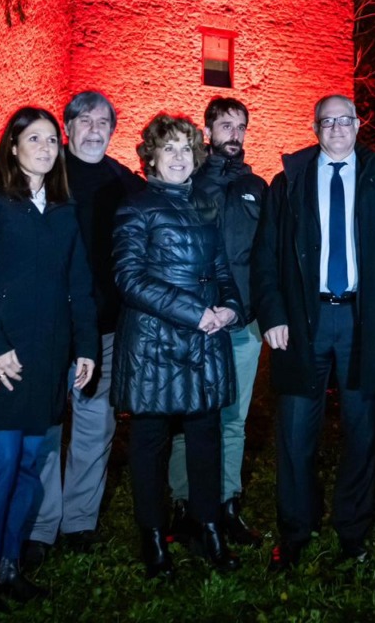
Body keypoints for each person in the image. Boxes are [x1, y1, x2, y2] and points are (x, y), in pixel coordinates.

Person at [252, 94, 375, 571]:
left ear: (357, 125)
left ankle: (353, 529)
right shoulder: (288, 184)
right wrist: (273, 315)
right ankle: (294, 531)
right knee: (294, 432)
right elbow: (265, 257)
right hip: (303, 322)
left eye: (344, 120)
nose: (336, 129)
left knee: (362, 430)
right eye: (327, 122)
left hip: (360, 320)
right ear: (315, 127)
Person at [0, 107, 98, 621]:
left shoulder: (62, 210)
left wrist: (86, 348)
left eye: (51, 140)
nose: (44, 147)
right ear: (12, 147)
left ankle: (10, 568)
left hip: (47, 360)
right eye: (32, 138)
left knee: (32, 470)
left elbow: (79, 285)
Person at [112, 112, 245, 578]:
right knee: (150, 443)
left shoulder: (207, 207)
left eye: (185, 148)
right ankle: (152, 537)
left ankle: (207, 526)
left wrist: (230, 307)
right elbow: (129, 278)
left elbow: (223, 271)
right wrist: (196, 313)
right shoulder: (136, 207)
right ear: (151, 156)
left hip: (205, 339)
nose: (177, 157)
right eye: (167, 148)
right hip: (154, 343)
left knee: (206, 436)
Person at [25, 91, 144, 565]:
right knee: (49, 426)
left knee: (95, 427)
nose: (95, 130)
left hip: (106, 330)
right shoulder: (45, 178)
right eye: (85, 121)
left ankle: (78, 522)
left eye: (104, 123)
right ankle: (40, 526)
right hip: (51, 328)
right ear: (67, 128)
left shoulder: (125, 183)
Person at [167, 97, 268, 548]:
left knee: (233, 418)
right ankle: (184, 504)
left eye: (240, 126)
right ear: (209, 131)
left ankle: (227, 504)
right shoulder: (188, 182)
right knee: (191, 415)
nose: (234, 133)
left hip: (244, 323)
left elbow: (267, 255)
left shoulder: (258, 187)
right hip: (197, 323)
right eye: (225, 125)